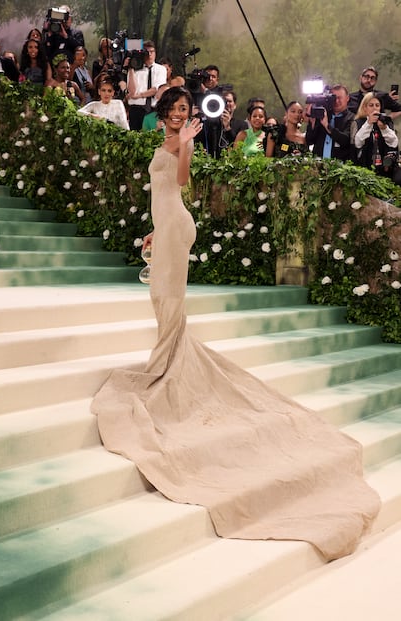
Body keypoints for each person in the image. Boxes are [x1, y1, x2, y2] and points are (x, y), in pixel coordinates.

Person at [91, 84, 380, 563]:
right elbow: (160, 193)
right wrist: (153, 227)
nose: (182, 115)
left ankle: (167, 369)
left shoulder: (180, 143)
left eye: (186, 111)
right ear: (163, 111)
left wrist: (185, 148)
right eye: (176, 110)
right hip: (166, 225)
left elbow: (181, 184)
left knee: (168, 297)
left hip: (178, 224)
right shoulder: (158, 139)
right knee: (161, 298)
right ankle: (167, 360)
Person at [351, 92, 401, 185]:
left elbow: (394, 143)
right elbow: (357, 143)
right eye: (371, 105)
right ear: (365, 108)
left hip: (384, 168)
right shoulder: (358, 122)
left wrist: (384, 128)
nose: (375, 108)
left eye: (377, 105)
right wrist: (369, 123)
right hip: (364, 167)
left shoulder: (386, 121)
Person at [306, 84, 354, 161]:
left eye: (339, 98)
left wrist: (327, 126)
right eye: (334, 98)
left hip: (339, 167)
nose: (336, 101)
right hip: (317, 164)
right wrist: (312, 122)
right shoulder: (322, 114)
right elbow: (309, 140)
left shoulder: (352, 118)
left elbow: (345, 141)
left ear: (347, 98)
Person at [126, 40, 167, 130]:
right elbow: (132, 92)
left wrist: (139, 95)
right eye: (147, 52)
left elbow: (156, 90)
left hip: (153, 109)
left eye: (152, 52)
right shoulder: (135, 70)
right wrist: (131, 68)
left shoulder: (161, 69)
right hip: (136, 109)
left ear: (155, 53)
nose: (149, 55)